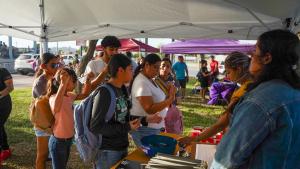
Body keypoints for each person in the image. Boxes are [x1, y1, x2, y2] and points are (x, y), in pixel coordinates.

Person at [211, 29, 300, 169]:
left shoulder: (259, 101)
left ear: (267, 58)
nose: (251, 55)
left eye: (255, 50)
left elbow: (226, 159)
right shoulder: (294, 93)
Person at [179, 51, 252, 145]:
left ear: (238, 69)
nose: (227, 76)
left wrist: (195, 139)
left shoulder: (243, 91)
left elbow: (221, 124)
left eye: (228, 72)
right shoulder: (255, 85)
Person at [89, 54, 141, 169]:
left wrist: (145, 118)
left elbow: (123, 115)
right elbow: (95, 127)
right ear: (120, 70)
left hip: (121, 147)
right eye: (130, 69)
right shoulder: (104, 92)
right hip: (107, 152)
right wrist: (127, 127)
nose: (132, 73)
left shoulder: (122, 89)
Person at [47, 68, 92, 169]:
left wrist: (88, 80)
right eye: (73, 80)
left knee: (62, 165)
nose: (75, 83)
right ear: (63, 82)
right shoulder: (53, 97)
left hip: (68, 140)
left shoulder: (69, 96)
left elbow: (85, 94)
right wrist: (63, 84)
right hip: (58, 142)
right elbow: (56, 107)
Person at [130, 53, 176, 147]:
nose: (157, 71)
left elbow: (159, 97)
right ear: (146, 65)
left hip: (154, 127)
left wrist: (169, 90)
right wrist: (170, 99)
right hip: (145, 129)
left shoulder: (150, 79)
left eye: (158, 68)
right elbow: (149, 109)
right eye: (155, 67)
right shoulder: (142, 82)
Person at [32, 53, 60, 169]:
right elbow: (43, 105)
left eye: (58, 64)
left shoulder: (54, 79)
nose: (57, 67)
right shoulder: (40, 82)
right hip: (44, 124)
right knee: (42, 155)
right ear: (43, 66)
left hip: (53, 122)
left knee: (52, 154)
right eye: (53, 65)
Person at [0, 67, 14, 161]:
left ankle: (3, 150)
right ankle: (5, 149)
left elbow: (10, 87)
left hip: (3, 105)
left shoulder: (3, 71)